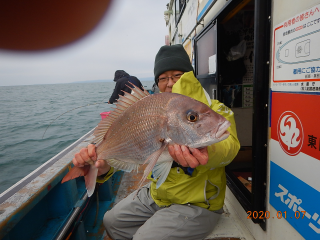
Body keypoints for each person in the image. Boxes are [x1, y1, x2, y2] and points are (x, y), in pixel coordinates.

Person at [72, 45, 240, 240]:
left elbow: (230, 148)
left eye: (177, 75)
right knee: (111, 221)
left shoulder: (216, 108)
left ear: (189, 76)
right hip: (157, 195)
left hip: (198, 204)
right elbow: (131, 152)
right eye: (163, 78)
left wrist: (208, 150)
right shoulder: (150, 110)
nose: (169, 83)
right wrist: (103, 167)